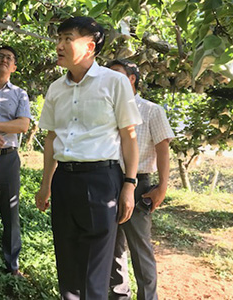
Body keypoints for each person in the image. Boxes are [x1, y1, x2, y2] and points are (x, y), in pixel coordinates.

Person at [35, 16, 142, 300]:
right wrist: (46, 184)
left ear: (90, 46)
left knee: (96, 268)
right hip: (64, 181)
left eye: (67, 38)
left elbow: (129, 136)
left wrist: (129, 185)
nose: (59, 45)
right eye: (59, 38)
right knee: (67, 262)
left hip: (101, 179)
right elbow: (51, 138)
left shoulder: (115, 82)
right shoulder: (56, 89)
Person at [108, 59, 175, 300]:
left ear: (132, 79)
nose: (111, 80)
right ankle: (118, 295)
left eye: (116, 75)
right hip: (107, 181)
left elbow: (163, 148)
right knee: (113, 247)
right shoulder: (107, 109)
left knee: (140, 248)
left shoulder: (151, 110)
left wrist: (162, 186)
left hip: (138, 185)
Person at [0, 46, 31, 276]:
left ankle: (12, 264)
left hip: (7, 159)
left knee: (10, 212)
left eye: (10, 58)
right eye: (1, 56)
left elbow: (22, 125)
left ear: (14, 67)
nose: (5, 60)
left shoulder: (19, 93)